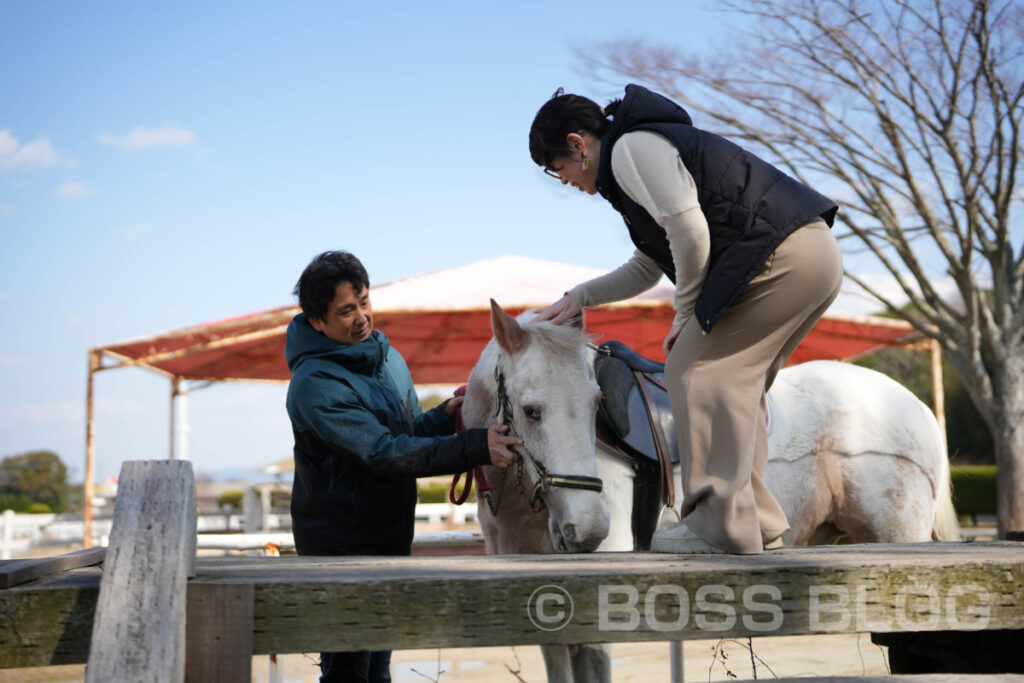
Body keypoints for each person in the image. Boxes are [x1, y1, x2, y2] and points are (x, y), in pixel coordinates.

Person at [529, 84, 843, 555]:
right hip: (808, 254)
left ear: (577, 144)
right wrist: (581, 298)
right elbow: (646, 265)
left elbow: (689, 231)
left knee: (692, 369)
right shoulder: (633, 163)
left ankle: (716, 523)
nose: (567, 182)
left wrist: (688, 312)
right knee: (734, 385)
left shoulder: (631, 148)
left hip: (783, 257)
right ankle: (754, 522)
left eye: (559, 170)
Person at [285, 250, 521, 682]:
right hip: (340, 555)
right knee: (348, 673)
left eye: (364, 302)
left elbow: (410, 429)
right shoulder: (314, 384)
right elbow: (384, 453)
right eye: (345, 310)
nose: (362, 317)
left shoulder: (386, 358)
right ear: (317, 322)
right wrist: (475, 446)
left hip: (390, 541)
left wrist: (449, 412)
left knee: (379, 669)